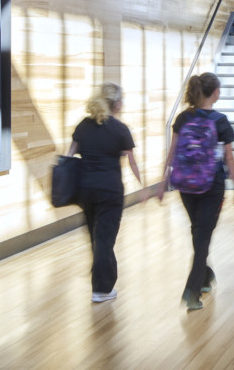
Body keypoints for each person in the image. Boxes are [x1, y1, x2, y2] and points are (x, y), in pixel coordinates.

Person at [162, 72, 234, 312]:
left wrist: (163, 181)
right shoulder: (220, 121)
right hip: (211, 185)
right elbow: (229, 158)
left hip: (186, 185)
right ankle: (191, 291)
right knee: (203, 236)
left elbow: (173, 152)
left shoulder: (182, 118)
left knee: (199, 233)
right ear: (215, 93)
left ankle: (205, 277)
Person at [69, 82, 143, 303]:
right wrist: (143, 187)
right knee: (105, 239)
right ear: (117, 104)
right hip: (110, 192)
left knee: (96, 237)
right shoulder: (120, 129)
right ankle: (101, 288)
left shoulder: (83, 126)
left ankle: (103, 282)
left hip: (86, 191)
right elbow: (132, 162)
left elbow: (70, 156)